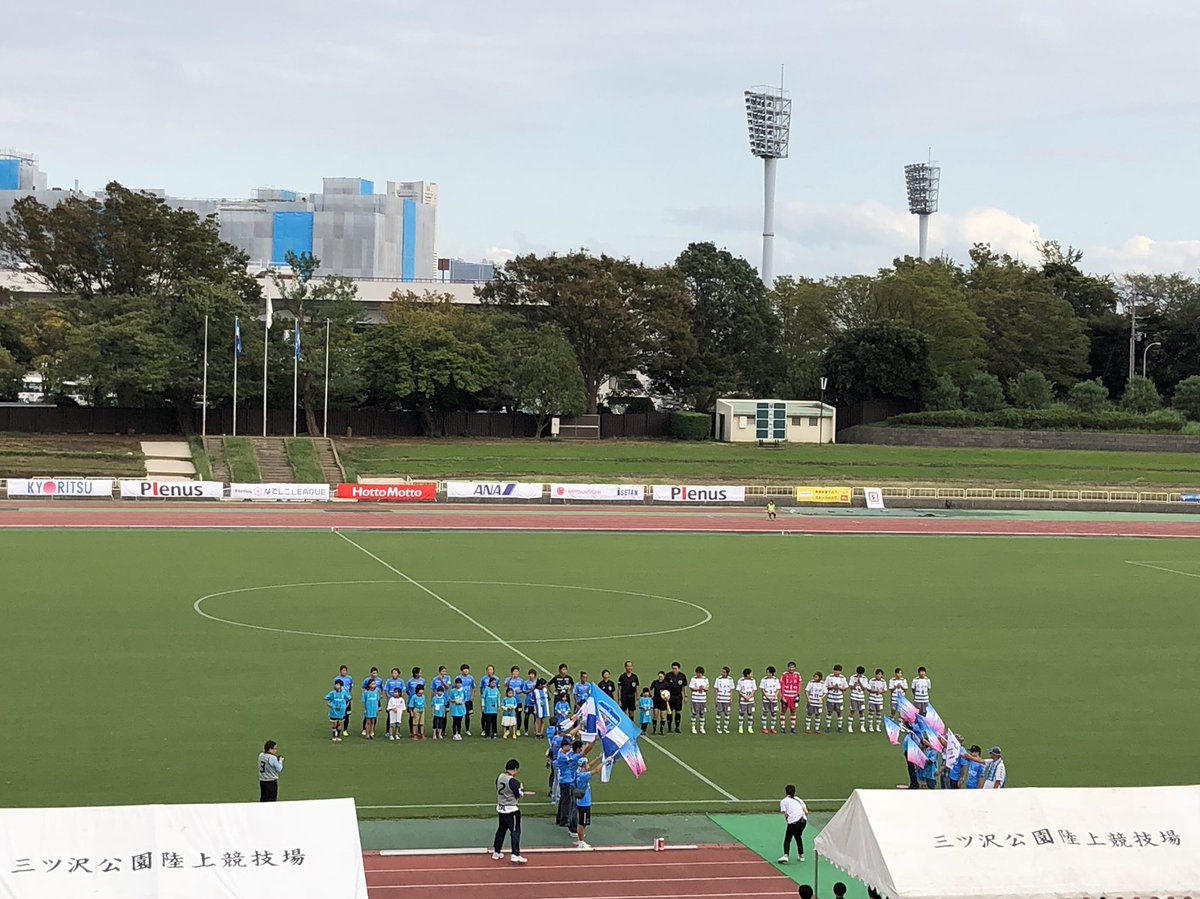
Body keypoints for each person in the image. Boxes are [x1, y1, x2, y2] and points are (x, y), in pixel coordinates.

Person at [493, 758, 534, 864]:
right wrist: (522, 791)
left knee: (501, 830)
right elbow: (518, 794)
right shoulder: (513, 781)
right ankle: (515, 854)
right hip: (511, 809)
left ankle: (496, 851)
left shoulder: (500, 777)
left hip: (501, 808)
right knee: (515, 831)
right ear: (515, 769)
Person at [573, 753, 606, 849]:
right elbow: (596, 770)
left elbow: (590, 766)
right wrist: (605, 762)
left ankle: (580, 839)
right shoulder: (584, 776)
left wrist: (598, 758)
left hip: (580, 802)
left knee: (581, 822)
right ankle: (581, 842)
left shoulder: (577, 772)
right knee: (582, 823)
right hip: (584, 803)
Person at [777, 784, 808, 863]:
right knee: (798, 836)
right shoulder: (799, 799)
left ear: (786, 792)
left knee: (788, 839)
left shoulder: (783, 801)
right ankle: (801, 856)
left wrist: (789, 821)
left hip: (793, 821)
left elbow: (786, 814)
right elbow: (806, 812)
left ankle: (786, 856)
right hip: (803, 820)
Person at [554, 738, 580, 828]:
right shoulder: (563, 756)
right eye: (568, 746)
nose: (570, 747)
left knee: (563, 801)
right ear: (564, 746)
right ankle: (564, 820)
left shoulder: (561, 752)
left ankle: (559, 818)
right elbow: (572, 759)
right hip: (566, 781)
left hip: (563, 780)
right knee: (566, 802)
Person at [779, 662, 803, 735]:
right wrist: (782, 696)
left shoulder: (797, 675)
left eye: (793, 667)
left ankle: (793, 728)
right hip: (786, 696)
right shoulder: (784, 675)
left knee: (793, 711)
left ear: (795, 668)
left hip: (794, 696)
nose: (791, 669)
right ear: (788, 667)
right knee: (783, 711)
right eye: (790, 667)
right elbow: (782, 685)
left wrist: (798, 695)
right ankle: (783, 728)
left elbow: (799, 685)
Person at [664, 661, 687, 733]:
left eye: (675, 668)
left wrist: (685, 695)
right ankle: (669, 727)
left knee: (678, 712)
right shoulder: (668, 675)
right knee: (669, 712)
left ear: (679, 669)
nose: (674, 670)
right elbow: (664, 685)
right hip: (670, 696)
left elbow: (684, 686)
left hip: (678, 696)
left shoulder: (682, 676)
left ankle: (677, 727)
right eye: (673, 668)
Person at [824, 664, 848, 734]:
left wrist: (839, 688)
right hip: (831, 698)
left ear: (840, 671)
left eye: (838, 671)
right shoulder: (829, 677)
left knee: (839, 713)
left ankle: (839, 727)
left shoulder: (842, 678)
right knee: (829, 712)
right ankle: (828, 727)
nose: (837, 672)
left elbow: (845, 688)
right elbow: (825, 686)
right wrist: (832, 687)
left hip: (839, 699)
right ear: (833, 670)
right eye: (836, 670)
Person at [713, 666, 735, 735]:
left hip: (727, 699)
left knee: (727, 713)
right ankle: (718, 727)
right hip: (720, 699)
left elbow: (731, 690)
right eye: (722, 672)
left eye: (724, 672)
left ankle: (725, 727)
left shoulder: (730, 680)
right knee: (719, 713)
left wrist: (731, 698)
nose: (722, 673)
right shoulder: (718, 679)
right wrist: (716, 698)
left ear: (727, 673)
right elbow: (716, 689)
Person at [736, 668, 757, 735]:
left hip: (750, 700)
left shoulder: (753, 680)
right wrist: (744, 696)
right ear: (747, 674)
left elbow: (754, 690)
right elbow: (739, 690)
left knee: (750, 713)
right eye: (751, 673)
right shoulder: (741, 680)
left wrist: (750, 696)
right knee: (742, 713)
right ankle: (740, 727)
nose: (752, 674)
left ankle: (750, 727)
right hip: (743, 700)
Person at [688, 665, 709, 734]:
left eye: (699, 673)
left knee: (702, 713)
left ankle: (701, 727)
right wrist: (698, 689)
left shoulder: (705, 679)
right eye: (697, 673)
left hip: (703, 699)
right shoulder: (693, 679)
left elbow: (707, 688)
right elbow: (691, 688)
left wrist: (703, 688)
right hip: (695, 699)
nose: (698, 674)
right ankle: (693, 727)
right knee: (694, 713)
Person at [760, 666, 781, 734]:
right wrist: (767, 697)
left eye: (769, 672)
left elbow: (778, 689)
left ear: (772, 673)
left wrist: (774, 696)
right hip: (766, 699)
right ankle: (764, 728)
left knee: (774, 714)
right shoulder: (764, 680)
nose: (767, 674)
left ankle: (772, 728)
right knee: (765, 713)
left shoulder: (776, 680)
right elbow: (762, 689)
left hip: (774, 699)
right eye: (767, 672)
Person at [847, 666, 868, 735]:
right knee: (852, 711)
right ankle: (849, 726)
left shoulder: (865, 678)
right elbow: (851, 687)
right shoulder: (852, 677)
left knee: (861, 712)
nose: (859, 675)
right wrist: (856, 682)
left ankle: (862, 726)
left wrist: (860, 682)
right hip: (854, 697)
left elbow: (864, 689)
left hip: (861, 697)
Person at [360, 667, 381, 736]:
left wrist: (378, 708)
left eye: (376, 673)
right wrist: (364, 709)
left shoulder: (379, 683)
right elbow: (364, 701)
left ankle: (372, 732)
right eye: (373, 673)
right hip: (368, 707)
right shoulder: (366, 692)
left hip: (374, 706)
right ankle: (366, 732)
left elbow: (382, 689)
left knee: (373, 720)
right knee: (368, 720)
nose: (375, 674)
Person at [505, 667, 526, 735]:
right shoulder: (508, 679)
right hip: (509, 701)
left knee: (518, 715)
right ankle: (507, 729)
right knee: (508, 715)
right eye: (514, 671)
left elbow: (523, 689)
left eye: (517, 671)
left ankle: (518, 729)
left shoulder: (521, 680)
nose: (516, 673)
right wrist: (510, 679)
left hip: (518, 700)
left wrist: (520, 691)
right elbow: (505, 686)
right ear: (512, 672)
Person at [867, 668, 888, 734]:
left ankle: (877, 726)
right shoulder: (872, 681)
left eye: (880, 674)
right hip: (872, 699)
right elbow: (868, 689)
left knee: (879, 713)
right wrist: (875, 691)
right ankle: (870, 726)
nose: (879, 676)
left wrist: (881, 691)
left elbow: (885, 689)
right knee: (871, 712)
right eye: (877, 674)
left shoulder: (883, 681)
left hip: (879, 700)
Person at [334, 665, 354, 734]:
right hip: (339, 699)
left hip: (347, 698)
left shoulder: (349, 678)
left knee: (347, 715)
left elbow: (351, 687)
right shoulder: (337, 679)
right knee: (338, 714)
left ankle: (345, 730)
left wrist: (349, 695)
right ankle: (337, 729)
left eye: (345, 670)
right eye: (343, 670)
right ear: (340, 671)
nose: (344, 672)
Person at [459, 664, 477, 736]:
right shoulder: (458, 678)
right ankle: (458, 729)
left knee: (467, 715)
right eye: (464, 669)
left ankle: (467, 729)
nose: (466, 671)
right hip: (461, 700)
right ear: (461, 670)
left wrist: (472, 696)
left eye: (467, 669)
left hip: (468, 699)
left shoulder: (471, 678)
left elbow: (473, 688)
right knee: (459, 715)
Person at [522, 668, 539, 737]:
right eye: (530, 674)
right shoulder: (526, 682)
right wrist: (530, 690)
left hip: (535, 703)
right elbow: (524, 691)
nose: (531, 675)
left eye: (532, 674)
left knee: (535, 717)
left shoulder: (537, 682)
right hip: (528, 702)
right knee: (526, 717)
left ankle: (536, 730)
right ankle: (526, 731)